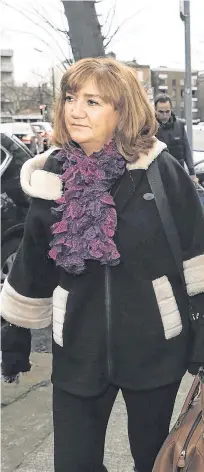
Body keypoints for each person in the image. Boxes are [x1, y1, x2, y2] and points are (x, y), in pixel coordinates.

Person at [1, 57, 204, 472]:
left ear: (122, 109)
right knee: (73, 464)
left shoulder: (161, 170)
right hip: (77, 348)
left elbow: (197, 255)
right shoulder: (52, 175)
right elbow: (34, 260)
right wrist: (15, 332)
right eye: (71, 97)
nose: (75, 109)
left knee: (153, 460)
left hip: (154, 348)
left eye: (93, 101)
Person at [155, 93, 198, 183]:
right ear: (155, 110)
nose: (164, 115)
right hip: (159, 175)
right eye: (161, 112)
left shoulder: (179, 125)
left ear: (171, 110)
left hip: (178, 173)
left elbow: (186, 150)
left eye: (167, 111)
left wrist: (192, 173)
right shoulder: (150, 128)